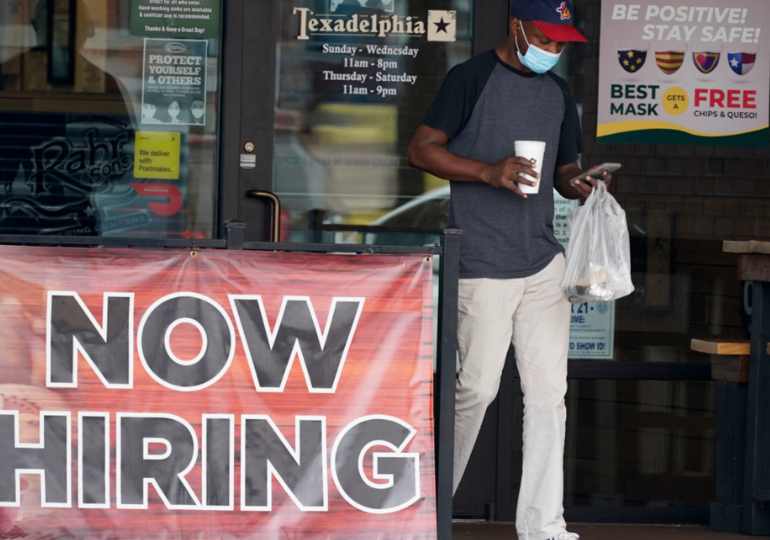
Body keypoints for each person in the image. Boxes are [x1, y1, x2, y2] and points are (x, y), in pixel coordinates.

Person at [407, 1, 612, 539]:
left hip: (544, 260)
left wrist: (580, 184)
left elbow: (563, 169)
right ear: (516, 26)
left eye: (561, 42)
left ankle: (544, 525)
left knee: (549, 396)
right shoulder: (469, 78)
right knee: (475, 389)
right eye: (545, 39)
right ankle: (425, 509)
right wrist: (486, 171)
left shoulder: (557, 92)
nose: (554, 50)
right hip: (482, 261)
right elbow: (422, 150)